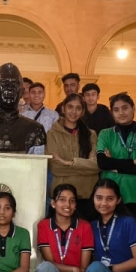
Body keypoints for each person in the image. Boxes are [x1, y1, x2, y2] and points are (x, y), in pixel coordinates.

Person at [34, 183, 95, 272]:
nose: (67, 204)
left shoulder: (85, 226)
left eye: (72, 201)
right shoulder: (44, 225)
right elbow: (50, 262)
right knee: (44, 268)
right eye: (62, 200)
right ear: (53, 203)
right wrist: (72, 269)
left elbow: (83, 268)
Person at [95, 92, 136, 227]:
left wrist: (114, 166)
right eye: (116, 110)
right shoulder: (105, 134)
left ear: (133, 108)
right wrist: (132, 163)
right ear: (112, 113)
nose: (121, 113)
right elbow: (102, 162)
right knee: (111, 236)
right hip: (109, 195)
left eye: (125, 108)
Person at [46, 92, 99, 221]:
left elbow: (97, 166)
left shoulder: (91, 135)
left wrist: (69, 163)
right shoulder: (52, 134)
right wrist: (86, 166)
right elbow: (55, 167)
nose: (74, 111)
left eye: (78, 108)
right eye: (70, 107)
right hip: (62, 197)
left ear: (83, 112)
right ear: (63, 108)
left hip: (87, 196)